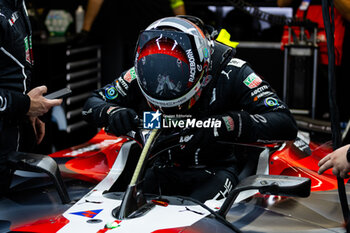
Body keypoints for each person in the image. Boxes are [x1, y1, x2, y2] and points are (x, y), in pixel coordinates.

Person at [83, 16, 298, 202]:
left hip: (216, 169)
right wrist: (112, 113)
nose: (163, 84)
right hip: (161, 168)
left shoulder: (233, 72)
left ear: (203, 70)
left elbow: (285, 123)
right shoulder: (140, 72)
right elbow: (92, 103)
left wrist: (231, 123)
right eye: (158, 80)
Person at [0, 0, 62, 195]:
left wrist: (29, 108)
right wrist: (25, 104)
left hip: (11, 139)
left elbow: (15, 67)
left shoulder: (17, 3)